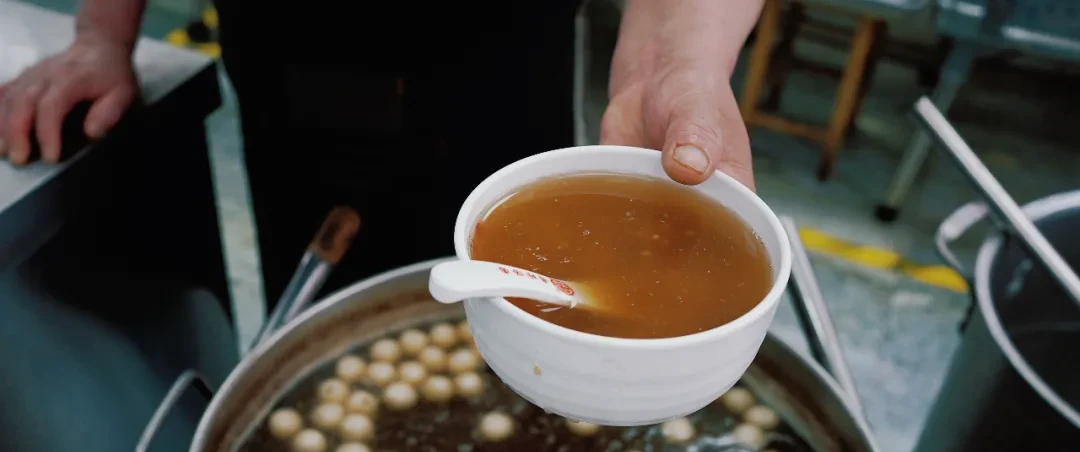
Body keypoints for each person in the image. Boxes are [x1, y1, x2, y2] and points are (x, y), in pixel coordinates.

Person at [0, 0, 762, 309]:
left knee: (529, 310)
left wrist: (674, 61)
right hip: (290, 74)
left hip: (496, 67)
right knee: (318, 313)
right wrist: (102, 30)